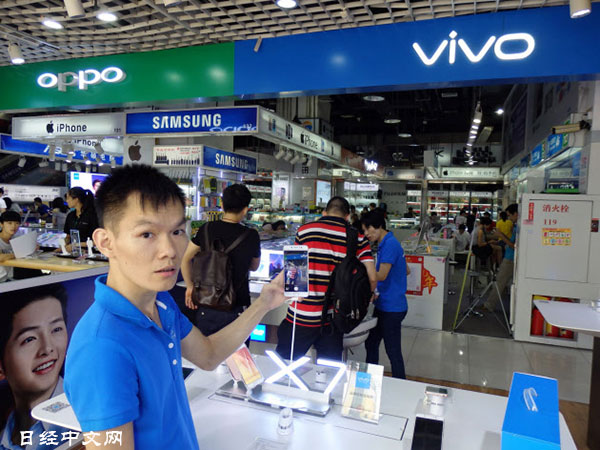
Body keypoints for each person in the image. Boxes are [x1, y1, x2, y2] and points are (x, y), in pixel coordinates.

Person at [64, 165, 285, 449]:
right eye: (147, 234)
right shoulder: (101, 347)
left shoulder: (161, 302)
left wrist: (265, 302)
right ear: (105, 243)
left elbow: (208, 355)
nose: (170, 250)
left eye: (178, 231)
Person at [276, 197, 377, 361]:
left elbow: (293, 274)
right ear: (347, 216)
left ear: (324, 213)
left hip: (300, 315)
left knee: (284, 365)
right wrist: (368, 296)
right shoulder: (357, 237)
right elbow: (372, 278)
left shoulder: (304, 231)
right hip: (333, 318)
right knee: (329, 371)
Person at [181, 184, 261, 336]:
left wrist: (190, 287)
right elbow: (254, 267)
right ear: (245, 209)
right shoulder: (251, 235)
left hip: (207, 302)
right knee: (238, 351)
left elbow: (185, 258)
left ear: (222, 205)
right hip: (237, 305)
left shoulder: (206, 229)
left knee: (206, 348)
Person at [0, 284, 73, 450]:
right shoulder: (5, 435)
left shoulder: (87, 419)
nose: (48, 348)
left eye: (56, 329)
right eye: (29, 339)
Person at [361, 210, 410, 379]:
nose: (366, 234)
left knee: (392, 349)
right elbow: (406, 270)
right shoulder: (387, 243)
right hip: (385, 304)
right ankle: (369, 381)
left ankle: (401, 383)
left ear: (378, 226)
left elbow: (381, 275)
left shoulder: (389, 245)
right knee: (372, 343)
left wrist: (363, 273)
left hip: (392, 307)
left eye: (368, 229)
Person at [484, 204, 519, 312]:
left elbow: (514, 246)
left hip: (510, 258)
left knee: (500, 281)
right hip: (509, 255)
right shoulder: (515, 225)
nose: (509, 218)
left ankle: (489, 305)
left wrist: (501, 235)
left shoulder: (519, 227)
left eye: (510, 215)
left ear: (516, 214)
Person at [0, 211, 21, 283]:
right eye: (9, 223)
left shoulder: (15, 240)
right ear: (1, 224)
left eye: (17, 223)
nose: (13, 226)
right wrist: (17, 254)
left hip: (9, 278)